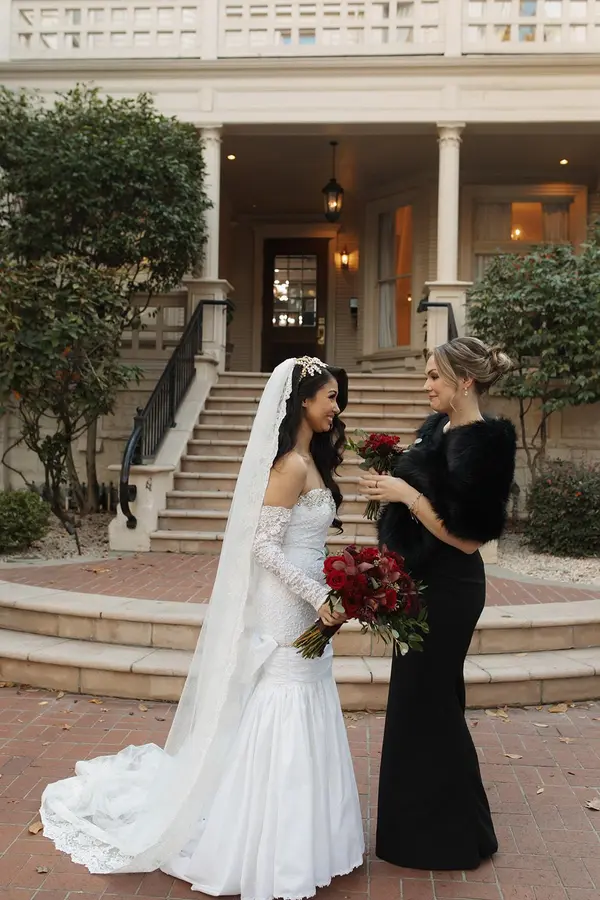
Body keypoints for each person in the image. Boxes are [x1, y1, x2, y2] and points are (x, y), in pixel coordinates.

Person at [40, 356, 364, 900]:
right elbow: (263, 547)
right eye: (330, 397)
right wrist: (319, 594)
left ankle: (309, 837)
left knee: (309, 690)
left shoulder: (312, 462)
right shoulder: (289, 466)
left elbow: (304, 543)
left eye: (336, 398)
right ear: (303, 401)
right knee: (285, 696)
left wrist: (337, 584)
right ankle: (268, 840)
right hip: (287, 603)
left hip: (312, 599)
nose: (337, 407)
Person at [359, 336, 516, 872]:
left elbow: (468, 538)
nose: (426, 385)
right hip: (420, 581)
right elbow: (425, 494)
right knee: (422, 703)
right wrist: (393, 479)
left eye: (434, 376)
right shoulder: (437, 429)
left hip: (452, 588)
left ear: (464, 381)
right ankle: (441, 832)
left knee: (428, 704)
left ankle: (446, 840)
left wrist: (407, 495)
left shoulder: (488, 443)